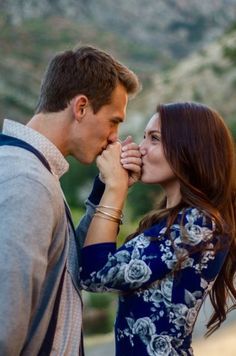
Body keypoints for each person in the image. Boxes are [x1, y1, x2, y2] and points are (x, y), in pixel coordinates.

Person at [0, 45, 141, 355]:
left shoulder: (35, 171)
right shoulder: (27, 181)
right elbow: (5, 330)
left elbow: (66, 270)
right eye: (113, 121)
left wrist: (107, 187)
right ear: (80, 107)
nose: (115, 137)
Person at [80, 102, 236, 355]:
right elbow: (85, 260)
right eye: (143, 137)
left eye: (154, 139)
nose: (140, 150)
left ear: (190, 148)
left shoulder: (198, 224)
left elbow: (95, 273)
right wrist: (104, 185)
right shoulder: (171, 222)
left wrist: (115, 189)